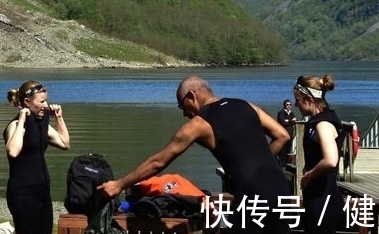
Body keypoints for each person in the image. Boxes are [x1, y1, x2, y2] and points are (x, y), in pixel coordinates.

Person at [98, 75, 292, 233]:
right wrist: (257, 163)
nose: (185, 113)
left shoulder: (198, 124)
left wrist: (119, 184)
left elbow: (158, 162)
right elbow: (282, 136)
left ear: (192, 96)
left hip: (252, 194)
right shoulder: (248, 106)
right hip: (280, 187)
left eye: (182, 107)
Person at [4, 80, 70, 234]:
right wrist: (21, 120)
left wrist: (59, 118)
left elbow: (65, 144)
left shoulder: (42, 122)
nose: (46, 105)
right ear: (27, 102)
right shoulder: (15, 125)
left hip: (42, 190)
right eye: (42, 101)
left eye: (46, 100)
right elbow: (13, 151)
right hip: (22, 193)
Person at [293, 74, 346, 234]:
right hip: (320, 197)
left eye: (298, 99)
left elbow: (331, 160)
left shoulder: (323, 124)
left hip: (323, 199)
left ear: (308, 99)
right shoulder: (321, 120)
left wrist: (309, 175)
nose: (296, 104)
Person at [276, 98, 297, 167]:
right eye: (287, 105)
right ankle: (281, 165)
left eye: (290, 105)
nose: (289, 106)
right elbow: (283, 122)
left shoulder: (292, 113)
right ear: (284, 105)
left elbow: (294, 120)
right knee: (282, 151)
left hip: (290, 135)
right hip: (283, 135)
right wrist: (291, 121)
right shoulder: (281, 113)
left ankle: (285, 165)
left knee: (288, 150)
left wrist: (288, 121)